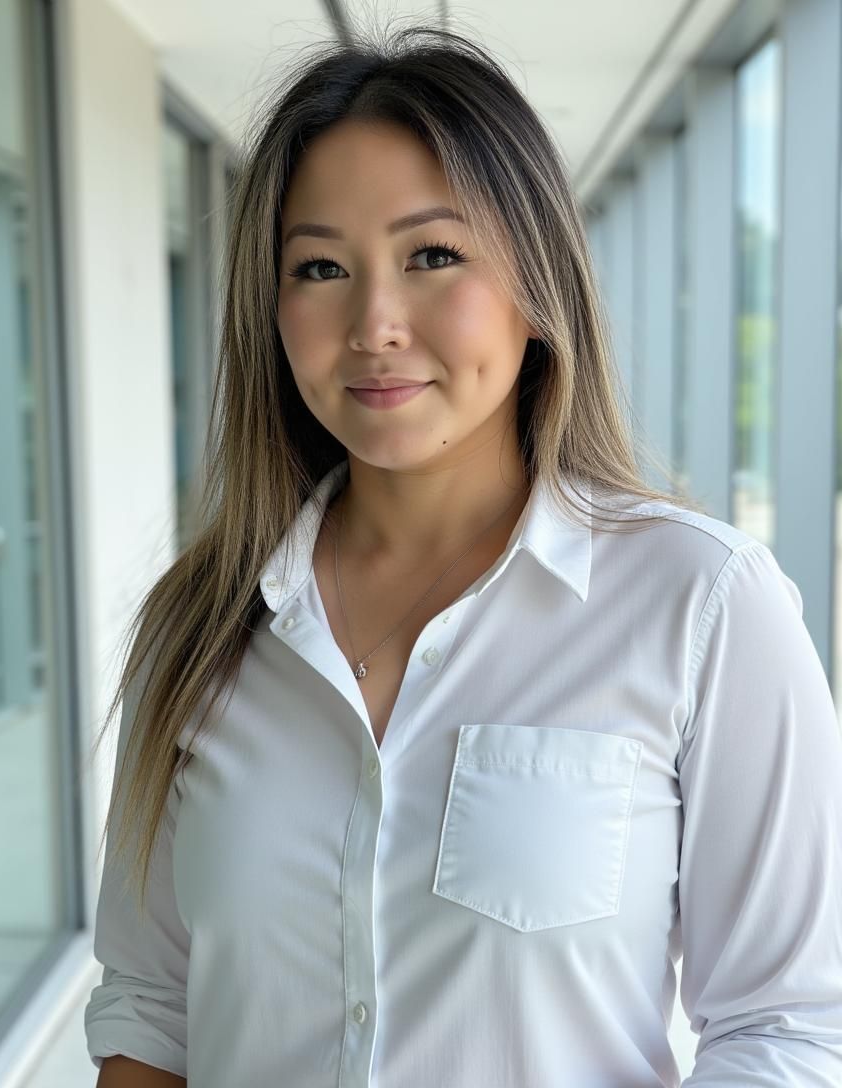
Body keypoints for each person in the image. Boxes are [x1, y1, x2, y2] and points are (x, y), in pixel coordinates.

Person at [84, 21, 842, 1088]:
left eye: (431, 255)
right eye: (319, 267)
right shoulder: (199, 622)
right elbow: (153, 1008)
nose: (373, 322)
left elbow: (785, 1027)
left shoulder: (701, 603)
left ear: (535, 283)